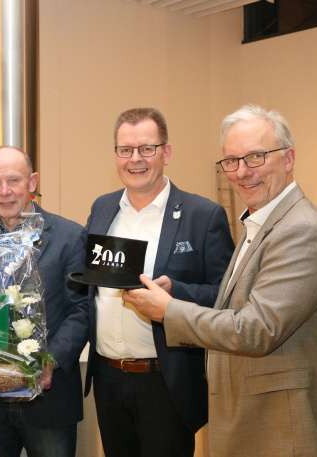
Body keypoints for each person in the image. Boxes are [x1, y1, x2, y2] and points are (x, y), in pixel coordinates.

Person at [124, 104, 317, 457]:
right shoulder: (260, 223)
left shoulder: (301, 231)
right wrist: (177, 294)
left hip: (285, 429)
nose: (242, 172)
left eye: (256, 157)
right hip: (254, 419)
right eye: (231, 161)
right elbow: (234, 305)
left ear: (288, 158)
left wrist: (168, 311)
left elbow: (257, 329)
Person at [83, 107, 234, 457]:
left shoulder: (202, 215)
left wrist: (175, 294)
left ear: (166, 152)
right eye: (125, 150)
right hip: (108, 378)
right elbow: (89, 283)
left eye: (146, 149)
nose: (135, 159)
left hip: (166, 381)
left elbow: (227, 296)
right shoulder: (103, 209)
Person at [0, 146, 89, 457]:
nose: (4, 191)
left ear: (32, 182)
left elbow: (82, 310)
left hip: (50, 399)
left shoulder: (70, 236)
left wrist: (50, 361)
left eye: (13, 180)